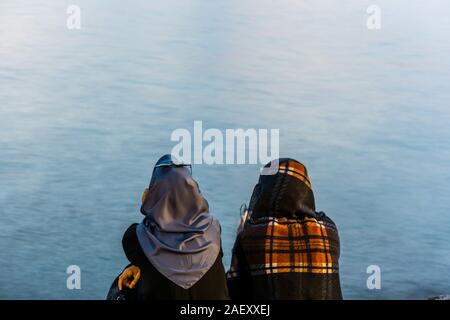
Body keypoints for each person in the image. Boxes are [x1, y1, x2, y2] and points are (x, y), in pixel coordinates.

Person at [116, 154, 229, 300]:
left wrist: (147, 204)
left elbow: (157, 255)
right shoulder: (213, 229)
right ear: (195, 193)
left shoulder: (136, 238)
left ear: (152, 193)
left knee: (123, 286)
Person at [227, 158, 342, 300]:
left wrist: (241, 234)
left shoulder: (252, 234)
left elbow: (233, 288)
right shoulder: (328, 230)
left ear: (263, 191)